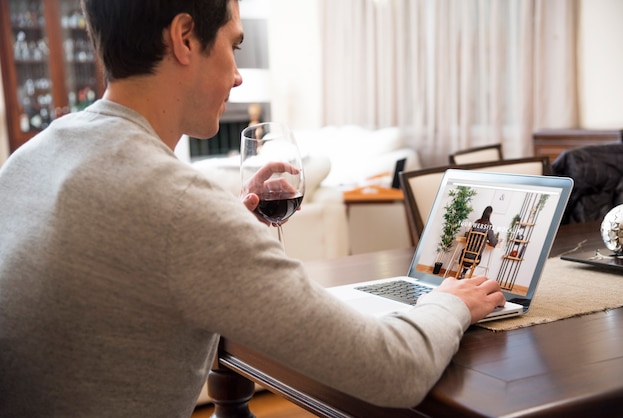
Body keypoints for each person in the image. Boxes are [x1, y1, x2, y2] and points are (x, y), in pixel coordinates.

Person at [0, 1, 506, 416]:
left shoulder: (30, 159)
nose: (239, 76)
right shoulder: (181, 211)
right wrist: (452, 301)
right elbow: (395, 371)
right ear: (183, 38)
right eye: (233, 45)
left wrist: (225, 231)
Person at [458, 206, 499, 278]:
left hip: (466, 254)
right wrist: (498, 240)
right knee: (476, 254)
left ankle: (463, 273)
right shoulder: (489, 225)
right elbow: (492, 241)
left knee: (469, 252)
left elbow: (468, 236)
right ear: (490, 214)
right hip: (476, 257)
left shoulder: (476, 222)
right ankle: (464, 274)